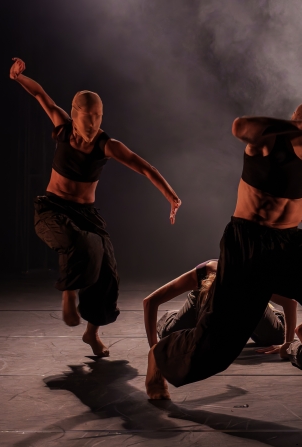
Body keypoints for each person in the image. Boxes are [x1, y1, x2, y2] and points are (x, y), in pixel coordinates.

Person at [147, 100, 302, 414]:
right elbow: (239, 126)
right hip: (248, 244)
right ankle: (160, 356)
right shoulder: (268, 142)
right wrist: (297, 127)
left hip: (290, 243)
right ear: (296, 125)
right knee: (219, 344)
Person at [10, 58, 181, 358]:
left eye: (98, 117)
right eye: (87, 117)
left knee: (107, 273)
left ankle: (92, 332)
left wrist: (171, 196)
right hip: (53, 210)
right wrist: (18, 77)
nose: (93, 124)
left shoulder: (107, 145)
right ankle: (68, 293)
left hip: (87, 216)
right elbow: (40, 94)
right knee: (81, 243)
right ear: (74, 115)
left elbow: (145, 168)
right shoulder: (62, 127)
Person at [141, 260, 297, 350]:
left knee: (274, 337)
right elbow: (149, 302)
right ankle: (176, 315)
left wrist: (287, 345)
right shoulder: (201, 275)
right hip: (203, 298)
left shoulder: (251, 279)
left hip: (249, 303)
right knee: (169, 335)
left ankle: (269, 311)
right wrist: (153, 351)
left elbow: (290, 303)